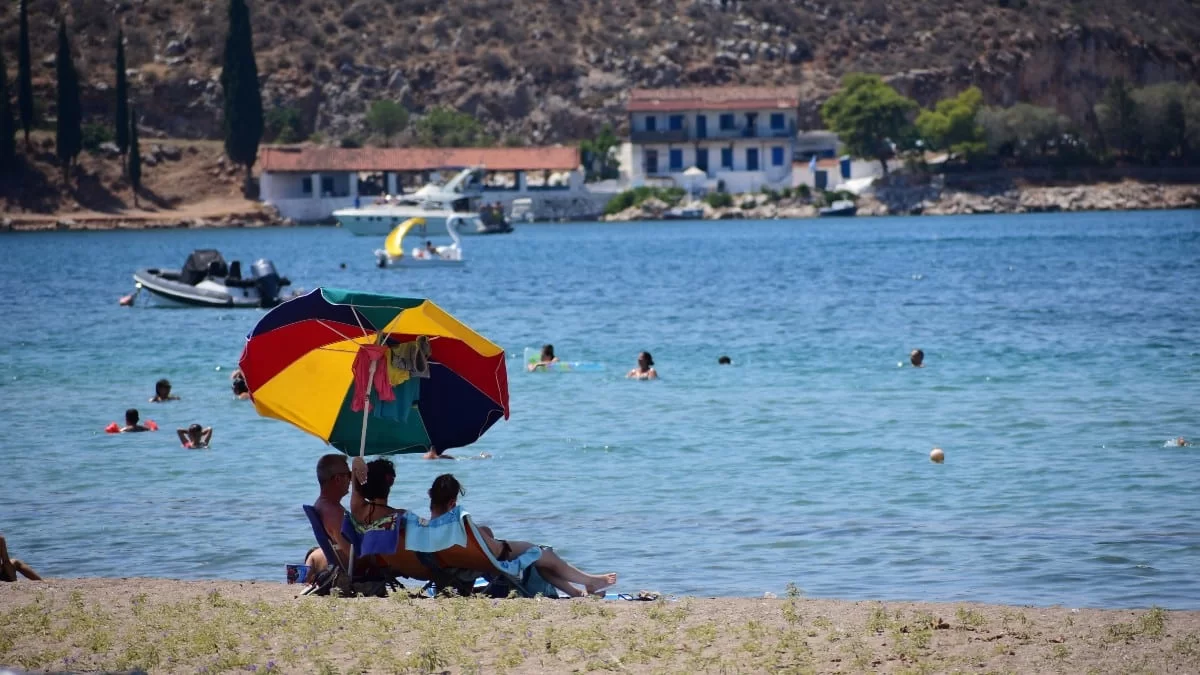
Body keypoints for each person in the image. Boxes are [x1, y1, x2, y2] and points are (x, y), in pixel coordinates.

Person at [428, 474, 617, 597]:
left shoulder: (431, 526)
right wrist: (487, 536)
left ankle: (578, 593)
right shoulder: (460, 521)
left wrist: (483, 532)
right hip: (498, 557)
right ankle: (589, 581)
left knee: (541, 558)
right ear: (452, 502)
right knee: (543, 554)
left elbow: (475, 543)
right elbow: (489, 548)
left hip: (462, 566)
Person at [313, 454, 355, 569]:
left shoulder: (322, 505)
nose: (351, 480)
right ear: (337, 479)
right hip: (355, 568)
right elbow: (354, 557)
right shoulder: (334, 513)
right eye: (349, 475)